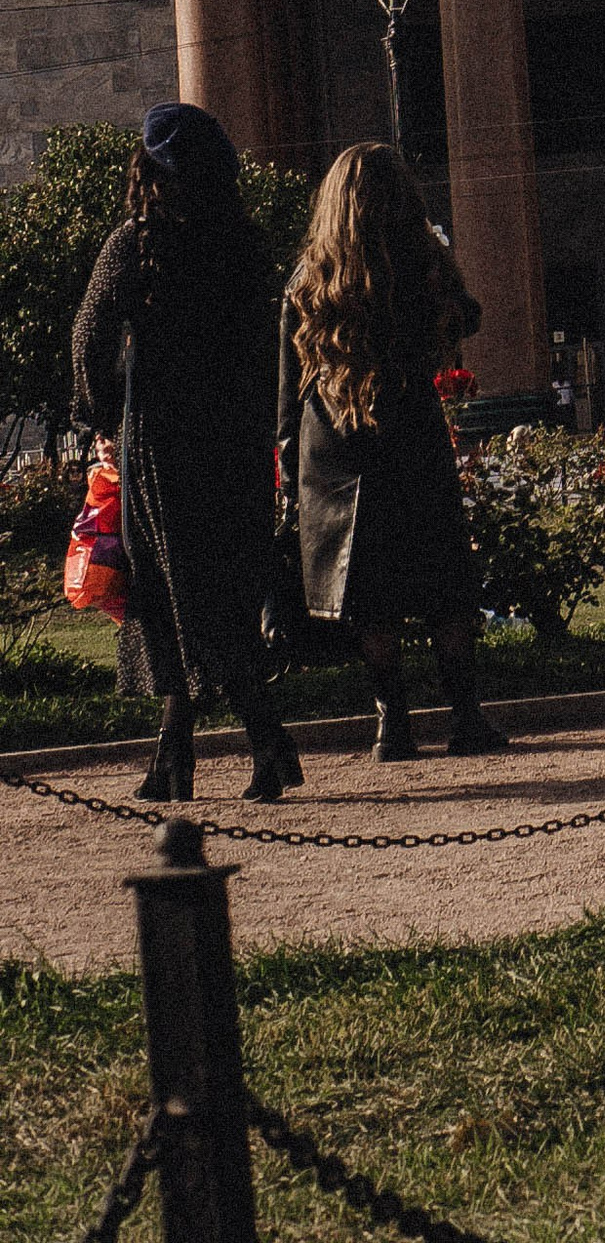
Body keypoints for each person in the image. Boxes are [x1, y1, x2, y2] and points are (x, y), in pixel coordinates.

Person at [71, 104, 301, 805]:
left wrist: (102, 415)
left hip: (164, 443)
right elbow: (266, 349)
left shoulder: (132, 246)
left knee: (178, 595)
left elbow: (88, 338)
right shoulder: (242, 244)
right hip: (232, 441)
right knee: (209, 591)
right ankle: (175, 759)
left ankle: (268, 740)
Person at [278, 145, 508, 762]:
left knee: (367, 590)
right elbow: (470, 320)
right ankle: (465, 717)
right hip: (407, 427)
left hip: (333, 443)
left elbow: (288, 381)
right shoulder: (421, 261)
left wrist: (284, 456)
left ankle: (392, 726)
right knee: (443, 577)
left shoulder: (310, 276)